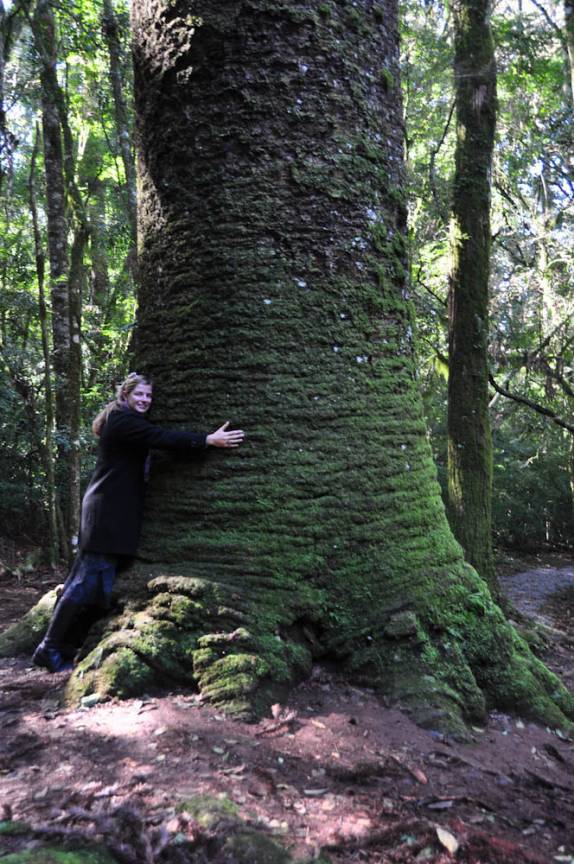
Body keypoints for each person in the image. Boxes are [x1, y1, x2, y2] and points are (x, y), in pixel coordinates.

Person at [33, 372, 244, 673]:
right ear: (125, 396)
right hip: (106, 513)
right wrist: (207, 440)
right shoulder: (122, 421)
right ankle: (48, 647)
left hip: (110, 512)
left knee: (92, 585)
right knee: (83, 585)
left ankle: (64, 645)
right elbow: (161, 439)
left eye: (148, 396)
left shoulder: (125, 420)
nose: (145, 401)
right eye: (139, 395)